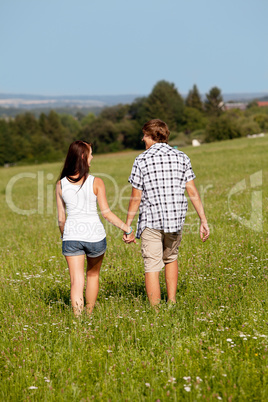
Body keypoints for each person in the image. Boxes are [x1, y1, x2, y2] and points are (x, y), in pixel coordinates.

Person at [123, 119, 209, 306]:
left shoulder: (141, 159)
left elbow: (136, 197)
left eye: (144, 135)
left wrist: (127, 225)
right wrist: (203, 219)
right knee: (171, 258)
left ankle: (155, 311)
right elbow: (192, 191)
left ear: (152, 136)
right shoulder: (182, 157)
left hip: (151, 221)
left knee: (152, 265)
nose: (143, 139)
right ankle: (171, 301)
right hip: (175, 220)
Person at [56, 141, 133, 316]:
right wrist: (127, 229)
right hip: (95, 237)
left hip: (71, 237)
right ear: (83, 156)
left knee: (76, 280)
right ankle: (89, 315)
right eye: (90, 153)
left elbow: (61, 219)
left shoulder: (60, 184)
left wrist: (65, 236)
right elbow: (106, 213)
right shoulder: (96, 182)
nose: (92, 157)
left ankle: (77, 319)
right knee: (92, 276)